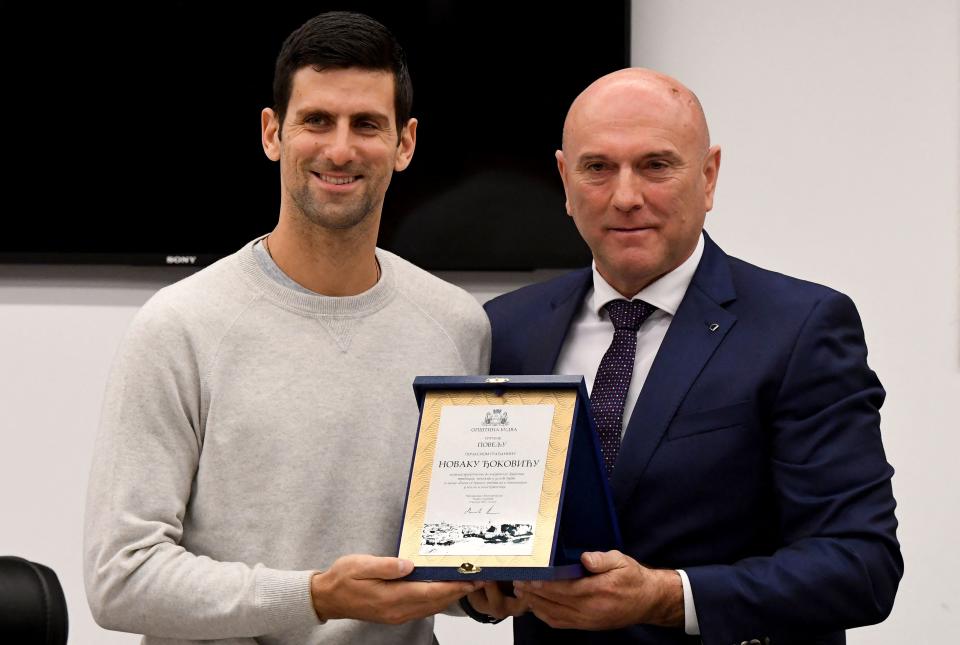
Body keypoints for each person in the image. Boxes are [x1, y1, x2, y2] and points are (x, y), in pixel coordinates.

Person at [84, 12, 490, 645]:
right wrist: (314, 596)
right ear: (272, 132)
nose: (339, 149)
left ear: (406, 144)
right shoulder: (180, 325)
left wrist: (486, 591)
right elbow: (121, 578)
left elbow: (444, 561)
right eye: (316, 121)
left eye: (367, 125)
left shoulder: (457, 326)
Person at [477, 68, 902, 644]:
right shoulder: (507, 327)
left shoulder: (800, 327)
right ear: (565, 181)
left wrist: (666, 596)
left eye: (656, 165)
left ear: (708, 177)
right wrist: (482, 584)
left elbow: (861, 566)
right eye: (598, 168)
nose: (626, 197)